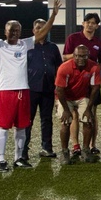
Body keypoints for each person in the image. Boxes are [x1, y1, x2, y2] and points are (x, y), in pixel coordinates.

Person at [0, 0, 60, 171]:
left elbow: (42, 34)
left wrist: (53, 15)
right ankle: (1, 160)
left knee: (22, 126)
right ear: (5, 31)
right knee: (3, 126)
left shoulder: (25, 44)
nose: (15, 33)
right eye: (11, 30)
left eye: (17, 30)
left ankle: (18, 158)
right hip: (6, 91)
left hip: (24, 91)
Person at [63, 12, 101, 155]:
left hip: (91, 83)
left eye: (93, 23)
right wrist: (80, 56)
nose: (90, 24)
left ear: (97, 26)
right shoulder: (73, 38)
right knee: (74, 114)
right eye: (87, 22)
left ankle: (92, 145)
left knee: (92, 114)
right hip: (74, 82)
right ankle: (76, 146)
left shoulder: (99, 43)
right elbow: (64, 57)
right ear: (83, 23)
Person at [23, 16, 63, 160]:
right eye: (38, 27)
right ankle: (23, 150)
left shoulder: (53, 47)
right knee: (27, 120)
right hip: (31, 89)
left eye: (43, 27)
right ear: (33, 30)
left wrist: (58, 85)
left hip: (48, 89)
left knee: (47, 120)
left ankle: (47, 148)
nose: (41, 30)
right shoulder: (27, 46)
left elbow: (59, 66)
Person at [55, 45, 101, 164]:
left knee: (88, 120)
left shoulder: (94, 67)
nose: (80, 58)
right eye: (77, 56)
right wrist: (66, 110)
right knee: (66, 122)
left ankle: (86, 150)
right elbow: (59, 90)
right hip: (65, 98)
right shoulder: (64, 67)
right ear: (73, 56)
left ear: (88, 56)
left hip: (82, 97)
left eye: (83, 56)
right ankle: (65, 152)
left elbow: (95, 88)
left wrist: (89, 109)